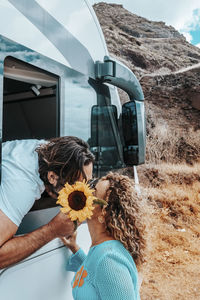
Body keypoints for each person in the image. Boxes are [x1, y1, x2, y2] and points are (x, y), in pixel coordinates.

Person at [0, 136, 94, 269]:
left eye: (88, 183)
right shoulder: (21, 188)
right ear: (51, 177)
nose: (83, 192)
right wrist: (52, 230)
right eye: (76, 187)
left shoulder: (45, 149)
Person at [62, 172, 146, 300]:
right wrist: (75, 249)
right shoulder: (101, 249)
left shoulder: (109, 260)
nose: (85, 194)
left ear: (104, 213)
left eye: (93, 194)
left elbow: (104, 268)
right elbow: (93, 274)